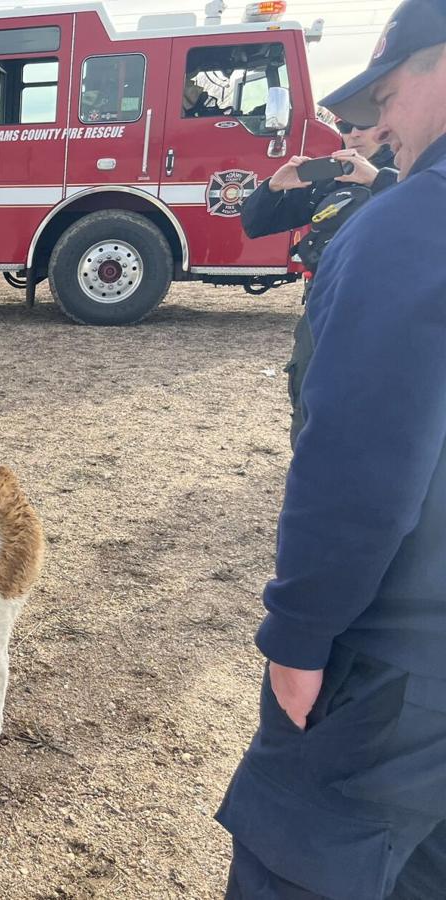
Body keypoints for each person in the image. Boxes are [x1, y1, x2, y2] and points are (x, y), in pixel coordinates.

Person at [217, 1, 446, 896]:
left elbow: (358, 470)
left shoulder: (406, 232)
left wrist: (300, 637)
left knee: (303, 861)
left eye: (386, 94)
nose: (374, 125)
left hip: (387, 663)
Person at [241, 117, 399, 447]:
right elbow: (256, 224)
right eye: (345, 126)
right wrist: (275, 186)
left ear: (386, 126)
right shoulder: (331, 177)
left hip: (384, 313)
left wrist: (377, 180)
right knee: (308, 397)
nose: (354, 132)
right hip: (322, 307)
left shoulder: (411, 166)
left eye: (363, 123)